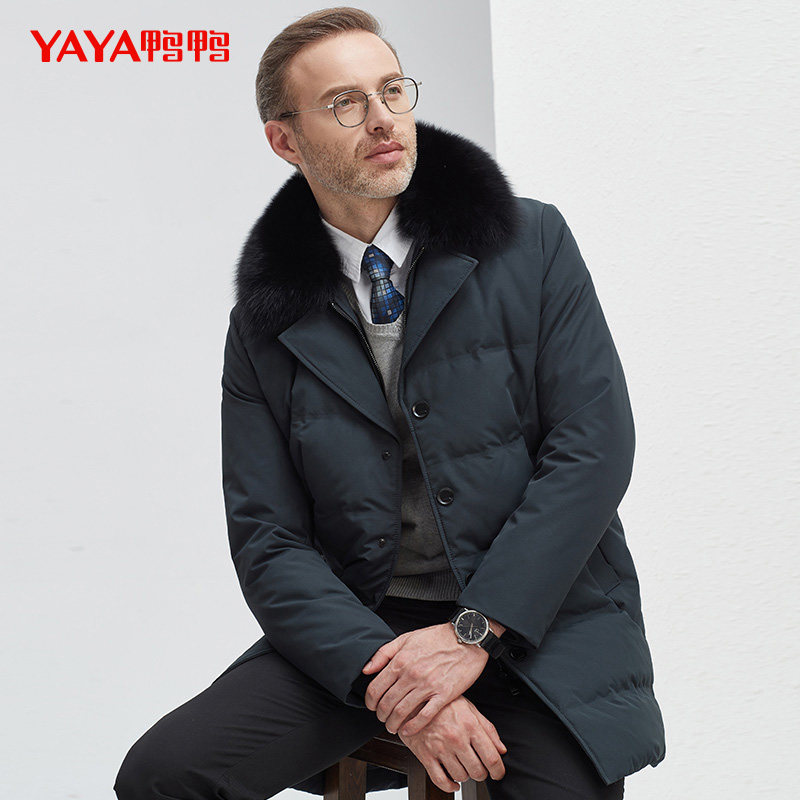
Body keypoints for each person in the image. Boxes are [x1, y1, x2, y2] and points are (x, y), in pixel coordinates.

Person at [114, 7, 666, 799]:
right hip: (367, 629)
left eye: (392, 90)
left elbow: (593, 449)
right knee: (163, 777)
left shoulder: (532, 242)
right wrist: (392, 682)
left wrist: (474, 631)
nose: (381, 119)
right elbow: (268, 536)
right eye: (343, 103)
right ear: (285, 141)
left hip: (536, 613)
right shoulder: (265, 322)